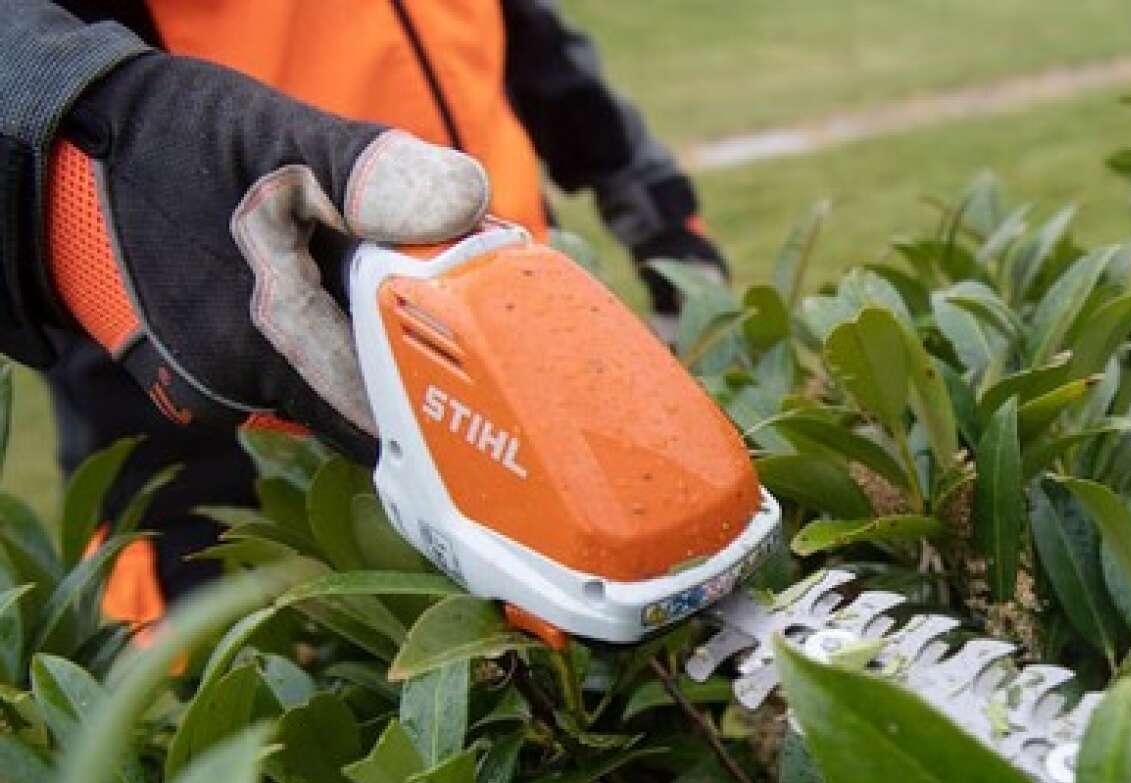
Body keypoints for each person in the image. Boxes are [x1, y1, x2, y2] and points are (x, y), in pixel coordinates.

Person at [0, 0, 726, 626]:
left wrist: (657, 211)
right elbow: (59, 109)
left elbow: (528, 41)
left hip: (520, 338)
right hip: (260, 414)